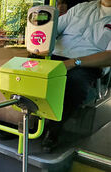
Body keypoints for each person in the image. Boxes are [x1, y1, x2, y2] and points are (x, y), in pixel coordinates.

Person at [42, 0, 111, 152]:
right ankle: (19, 123)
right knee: (24, 70)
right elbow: (53, 29)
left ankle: (52, 130)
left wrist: (74, 62)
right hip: (55, 55)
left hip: (86, 64)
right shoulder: (81, 8)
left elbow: (109, 57)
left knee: (74, 83)